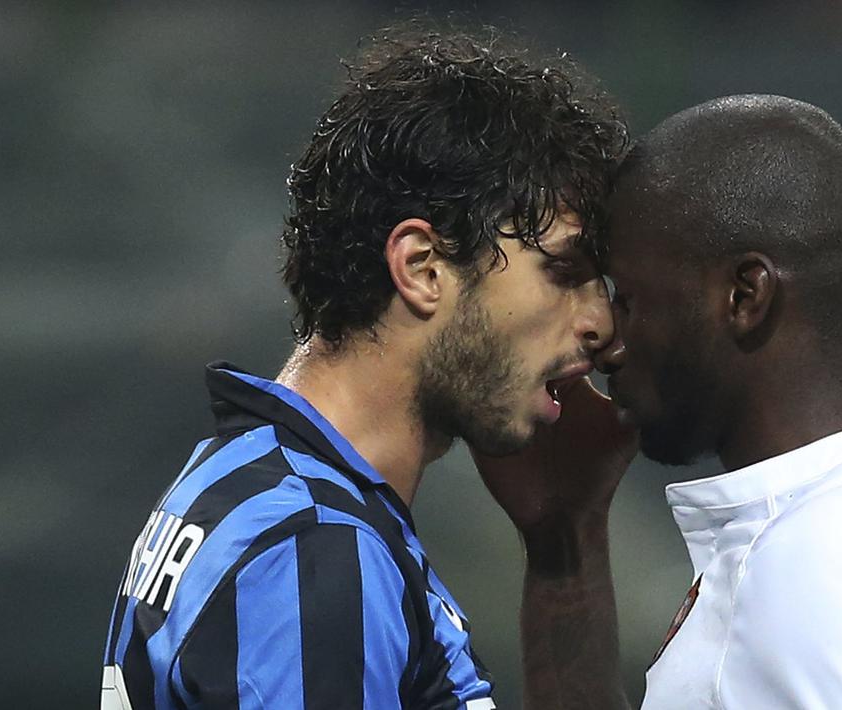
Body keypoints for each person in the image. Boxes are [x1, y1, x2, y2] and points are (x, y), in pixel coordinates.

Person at [98, 25, 627, 709]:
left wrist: (563, 541)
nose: (600, 323)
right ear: (423, 268)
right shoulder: (312, 549)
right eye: (565, 270)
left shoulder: (244, 481)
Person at [475, 95, 842, 709]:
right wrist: (564, 543)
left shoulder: (831, 558)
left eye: (627, 297)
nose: (606, 339)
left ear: (744, 296)